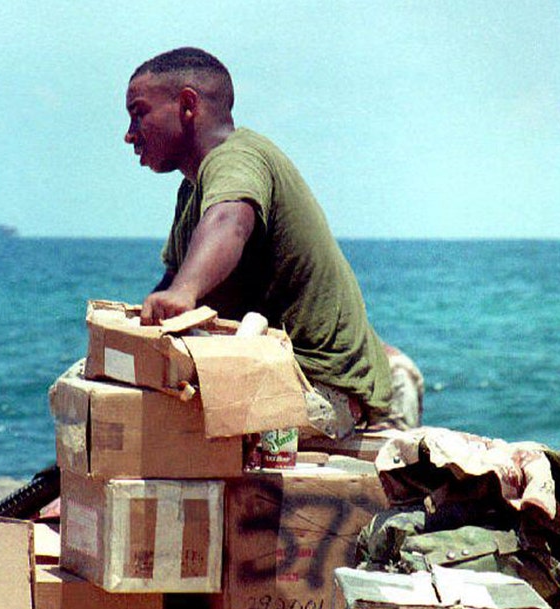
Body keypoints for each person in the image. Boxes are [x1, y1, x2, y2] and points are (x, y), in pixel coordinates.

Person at [124, 47, 410, 437]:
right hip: (283, 373)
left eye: (138, 113)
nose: (129, 134)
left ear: (188, 105)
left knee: (177, 430)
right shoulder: (191, 190)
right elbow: (172, 280)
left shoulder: (237, 159)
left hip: (328, 389)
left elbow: (229, 220)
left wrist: (186, 292)